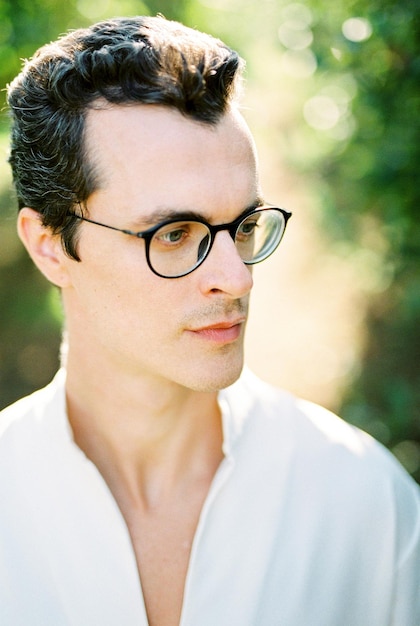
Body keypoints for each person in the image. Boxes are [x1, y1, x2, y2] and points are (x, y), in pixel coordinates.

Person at [1, 15, 419, 626]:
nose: (239, 276)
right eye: (175, 234)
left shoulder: (365, 507)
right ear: (50, 246)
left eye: (244, 227)